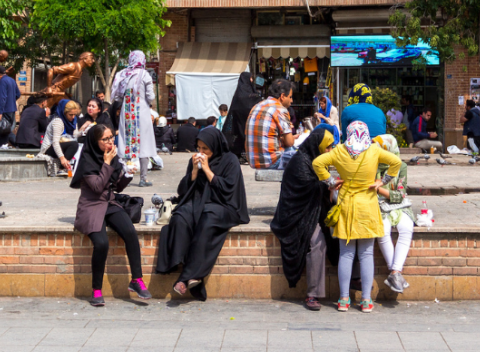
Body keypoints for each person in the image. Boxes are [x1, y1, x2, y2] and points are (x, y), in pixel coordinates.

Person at [313, 121, 401, 312]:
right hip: (368, 207)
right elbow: (396, 162)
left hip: (346, 207)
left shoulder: (339, 151)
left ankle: (344, 299)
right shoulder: (374, 151)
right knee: (366, 254)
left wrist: (331, 181)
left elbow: (317, 163)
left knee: (346, 253)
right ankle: (366, 300)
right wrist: (381, 182)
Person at [156, 126, 249, 300]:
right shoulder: (194, 161)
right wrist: (194, 171)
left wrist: (207, 170)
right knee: (181, 216)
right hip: (199, 202)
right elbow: (183, 191)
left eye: (205, 148)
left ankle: (186, 278)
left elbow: (228, 190)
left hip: (225, 205)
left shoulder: (230, 160)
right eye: (199, 148)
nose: (201, 152)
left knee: (207, 220)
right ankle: (184, 267)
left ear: (215, 145)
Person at [72, 124, 149, 305]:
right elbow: (97, 186)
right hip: (91, 206)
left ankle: (136, 280)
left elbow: (115, 186)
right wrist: (106, 164)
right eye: (105, 139)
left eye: (111, 138)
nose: (109, 142)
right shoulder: (87, 160)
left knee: (130, 233)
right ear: (95, 141)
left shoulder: (112, 157)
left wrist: (127, 175)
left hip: (109, 202)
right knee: (101, 243)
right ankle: (96, 290)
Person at [271, 124, 340, 311]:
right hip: (295, 214)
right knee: (318, 241)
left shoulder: (316, 160)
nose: (330, 151)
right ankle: (313, 294)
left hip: (312, 209)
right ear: (317, 145)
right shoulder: (300, 162)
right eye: (327, 147)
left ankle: (355, 280)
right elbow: (305, 190)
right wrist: (329, 186)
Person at [374, 134, 414, 294]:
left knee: (406, 226)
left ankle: (394, 272)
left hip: (399, 206)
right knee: (382, 229)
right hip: (378, 206)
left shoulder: (401, 166)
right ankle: (396, 273)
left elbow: (400, 194)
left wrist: (378, 189)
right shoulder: (372, 165)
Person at [111, 50, 158, 187]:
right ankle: (143, 179)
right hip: (142, 112)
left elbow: (118, 97)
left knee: (126, 143)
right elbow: (150, 97)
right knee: (144, 144)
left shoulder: (122, 74)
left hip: (126, 113)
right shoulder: (145, 75)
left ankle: (122, 175)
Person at [245, 79, 296, 170]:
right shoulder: (280, 109)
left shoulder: (257, 106)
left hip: (253, 161)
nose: (291, 101)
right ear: (282, 96)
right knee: (300, 154)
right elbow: (290, 142)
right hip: (271, 161)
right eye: (290, 97)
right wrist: (290, 136)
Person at [223, 72, 263, 160]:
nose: (252, 80)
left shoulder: (243, 90)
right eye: (251, 78)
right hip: (243, 119)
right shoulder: (244, 90)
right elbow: (246, 102)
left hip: (242, 119)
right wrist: (257, 98)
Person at [40, 99, 82, 178]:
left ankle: (67, 167)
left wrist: (83, 131)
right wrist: (62, 159)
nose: (73, 117)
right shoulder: (58, 122)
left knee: (75, 145)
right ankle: (62, 168)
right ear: (64, 113)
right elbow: (55, 142)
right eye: (70, 115)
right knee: (74, 145)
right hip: (49, 148)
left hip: (62, 143)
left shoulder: (73, 121)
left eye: (74, 115)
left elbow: (75, 134)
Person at [0, 66, 20, 148]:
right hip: (12, 109)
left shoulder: (2, 82)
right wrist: (11, 100)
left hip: (4, 110)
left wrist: (0, 112)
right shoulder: (12, 80)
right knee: (7, 129)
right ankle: (15, 144)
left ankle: (7, 145)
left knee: (3, 130)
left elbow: (2, 97)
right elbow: (18, 94)